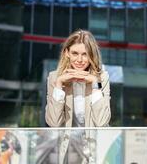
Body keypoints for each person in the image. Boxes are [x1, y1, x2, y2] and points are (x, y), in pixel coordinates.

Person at [45, 29, 111, 163]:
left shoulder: (102, 78)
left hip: (96, 150)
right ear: (66, 53)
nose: (79, 60)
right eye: (75, 53)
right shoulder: (54, 78)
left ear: (92, 56)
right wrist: (59, 84)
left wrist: (95, 83)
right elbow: (54, 123)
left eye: (85, 54)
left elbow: (102, 122)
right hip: (67, 152)